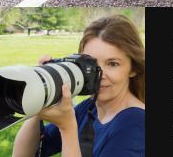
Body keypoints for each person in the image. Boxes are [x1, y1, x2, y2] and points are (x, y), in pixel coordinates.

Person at [12, 14, 145, 157]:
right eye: (91, 64)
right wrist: (42, 97)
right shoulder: (89, 109)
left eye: (113, 64)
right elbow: (23, 154)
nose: (99, 74)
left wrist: (67, 128)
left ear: (133, 68)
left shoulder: (136, 123)